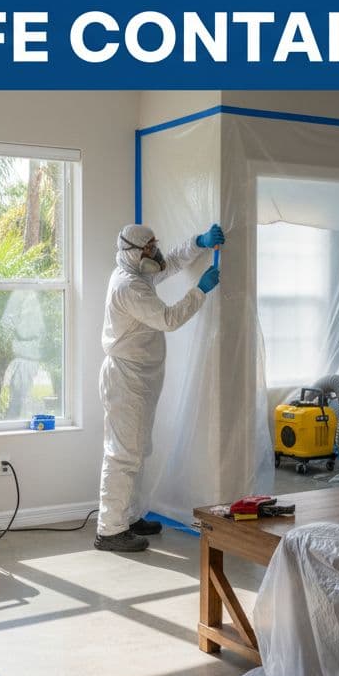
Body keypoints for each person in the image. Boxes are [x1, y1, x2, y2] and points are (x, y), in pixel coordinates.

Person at [96, 223, 224, 552]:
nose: (155, 252)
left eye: (155, 244)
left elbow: (174, 261)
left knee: (138, 451)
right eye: (149, 247)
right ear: (134, 252)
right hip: (126, 378)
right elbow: (168, 319)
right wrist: (200, 291)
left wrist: (200, 242)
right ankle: (109, 530)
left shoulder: (139, 272)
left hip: (140, 377)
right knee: (123, 455)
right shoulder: (128, 286)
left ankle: (130, 516)